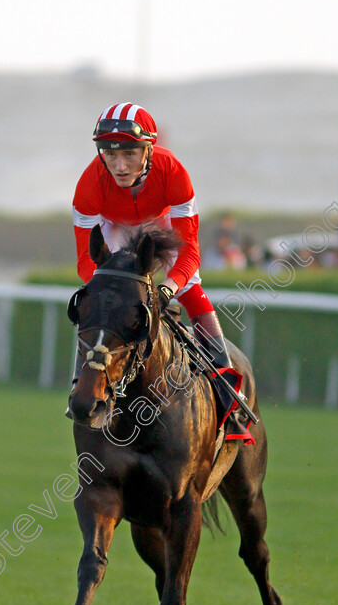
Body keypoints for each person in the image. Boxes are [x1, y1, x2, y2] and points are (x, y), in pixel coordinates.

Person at [69, 102, 253, 443]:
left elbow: (190, 255)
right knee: (102, 301)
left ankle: (229, 397)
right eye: (109, 154)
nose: (119, 166)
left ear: (149, 149)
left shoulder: (173, 172)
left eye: (129, 153)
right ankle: (80, 390)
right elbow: (86, 264)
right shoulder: (89, 186)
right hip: (114, 227)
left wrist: (165, 290)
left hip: (160, 223)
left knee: (190, 290)